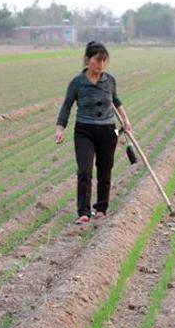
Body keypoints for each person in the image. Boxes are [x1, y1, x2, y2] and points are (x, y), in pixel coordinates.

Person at [55, 41, 133, 225]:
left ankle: (101, 208)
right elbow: (67, 106)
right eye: (98, 60)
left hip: (108, 130)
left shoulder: (110, 80)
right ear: (87, 60)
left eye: (105, 60)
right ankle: (83, 212)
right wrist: (60, 128)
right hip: (84, 130)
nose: (101, 65)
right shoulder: (77, 83)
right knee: (85, 170)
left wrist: (126, 121)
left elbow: (116, 101)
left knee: (105, 170)